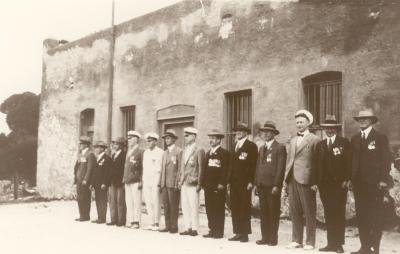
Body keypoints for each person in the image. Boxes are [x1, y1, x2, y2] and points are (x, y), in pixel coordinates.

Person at [350, 109, 392, 254]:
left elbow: (386, 160)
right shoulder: (355, 138)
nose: (362, 121)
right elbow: (352, 161)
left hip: (375, 184)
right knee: (362, 216)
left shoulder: (380, 137)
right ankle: (364, 247)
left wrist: (383, 180)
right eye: (360, 119)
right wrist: (351, 179)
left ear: (371, 121)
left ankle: (374, 248)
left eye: (366, 119)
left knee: (375, 216)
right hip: (359, 184)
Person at [285, 109, 321, 250]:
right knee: (294, 210)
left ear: (308, 123)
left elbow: (317, 162)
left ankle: (310, 241)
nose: (299, 124)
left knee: (309, 211)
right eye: (297, 122)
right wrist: (286, 178)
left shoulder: (314, 139)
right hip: (292, 178)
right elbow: (290, 160)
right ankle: (296, 239)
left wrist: (315, 181)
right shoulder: (293, 140)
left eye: (301, 122)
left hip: (306, 179)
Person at [317, 115, 351, 253]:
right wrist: (316, 182)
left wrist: (346, 179)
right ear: (324, 129)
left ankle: (339, 245)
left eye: (332, 128)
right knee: (328, 213)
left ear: (336, 129)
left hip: (339, 185)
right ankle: (330, 243)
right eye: (327, 128)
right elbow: (316, 165)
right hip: (324, 186)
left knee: (338, 213)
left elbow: (349, 163)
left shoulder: (344, 142)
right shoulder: (320, 145)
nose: (329, 130)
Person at [254, 121, 287, 246]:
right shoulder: (262, 148)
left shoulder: (279, 147)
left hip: (272, 186)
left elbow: (280, 168)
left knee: (273, 211)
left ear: (274, 133)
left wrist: (277, 185)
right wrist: (257, 182)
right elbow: (258, 167)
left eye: (268, 132)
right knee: (263, 212)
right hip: (262, 185)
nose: (266, 134)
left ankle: (273, 238)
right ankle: (265, 237)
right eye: (264, 132)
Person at [227, 122, 258, 243]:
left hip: (245, 182)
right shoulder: (235, 145)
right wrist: (228, 180)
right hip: (234, 182)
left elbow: (253, 165)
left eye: (241, 130)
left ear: (246, 132)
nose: (238, 132)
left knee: (244, 207)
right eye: (237, 130)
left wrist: (251, 181)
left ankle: (245, 234)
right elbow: (231, 165)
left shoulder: (251, 146)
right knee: (235, 207)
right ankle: (237, 232)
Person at [201, 129, 229, 239]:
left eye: (213, 138)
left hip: (218, 186)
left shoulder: (224, 153)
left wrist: (222, 183)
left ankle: (219, 231)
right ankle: (212, 229)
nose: (211, 140)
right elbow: (204, 169)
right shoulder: (208, 153)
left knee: (218, 208)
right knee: (209, 208)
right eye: (210, 138)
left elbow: (225, 170)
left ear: (219, 140)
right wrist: (203, 183)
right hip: (208, 186)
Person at [178, 127, 205, 236]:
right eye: (185, 135)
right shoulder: (184, 150)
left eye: (187, 135)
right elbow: (182, 167)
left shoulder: (199, 150)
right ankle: (187, 227)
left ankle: (194, 228)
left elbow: (201, 168)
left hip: (193, 182)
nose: (185, 137)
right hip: (185, 182)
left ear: (194, 136)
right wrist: (180, 181)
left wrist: (200, 183)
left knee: (194, 205)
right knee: (185, 205)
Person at [159, 129, 182, 234]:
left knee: (173, 205)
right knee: (166, 205)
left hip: (173, 183)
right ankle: (167, 225)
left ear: (173, 139)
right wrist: (161, 183)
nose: (166, 140)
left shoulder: (179, 151)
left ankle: (174, 226)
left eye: (168, 138)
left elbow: (179, 169)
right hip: (164, 183)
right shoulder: (164, 153)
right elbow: (162, 169)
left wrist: (177, 182)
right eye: (165, 139)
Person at [142, 132, 164, 231]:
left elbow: (160, 168)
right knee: (148, 201)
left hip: (156, 178)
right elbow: (144, 168)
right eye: (148, 141)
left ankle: (156, 222)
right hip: (147, 179)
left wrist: (159, 182)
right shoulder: (146, 153)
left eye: (150, 141)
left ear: (155, 141)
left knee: (156, 201)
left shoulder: (160, 152)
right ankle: (150, 222)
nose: (148, 143)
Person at [122, 130, 144, 229]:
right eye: (128, 138)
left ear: (136, 139)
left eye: (131, 138)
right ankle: (130, 220)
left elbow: (143, 167)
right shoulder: (128, 151)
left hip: (136, 180)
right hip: (128, 180)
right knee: (129, 201)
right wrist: (124, 179)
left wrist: (141, 180)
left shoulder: (140, 151)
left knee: (136, 201)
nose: (129, 140)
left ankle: (136, 221)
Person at [74, 136, 96, 222]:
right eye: (80, 144)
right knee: (79, 198)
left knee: (85, 197)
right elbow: (77, 167)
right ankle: (81, 215)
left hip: (84, 180)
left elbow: (90, 168)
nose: (80, 145)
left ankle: (86, 215)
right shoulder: (80, 154)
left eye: (81, 144)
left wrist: (86, 179)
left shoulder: (90, 154)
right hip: (79, 179)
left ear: (86, 145)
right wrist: (75, 179)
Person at [90, 141, 112, 224]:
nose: (97, 149)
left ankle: (102, 218)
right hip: (96, 183)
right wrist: (92, 183)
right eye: (96, 147)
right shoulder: (97, 158)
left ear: (103, 149)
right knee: (98, 200)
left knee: (102, 200)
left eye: (99, 147)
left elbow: (107, 172)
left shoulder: (107, 159)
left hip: (102, 184)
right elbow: (94, 172)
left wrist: (104, 183)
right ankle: (99, 217)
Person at [107, 137, 127, 227]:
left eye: (117, 144)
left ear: (122, 146)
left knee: (120, 201)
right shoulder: (113, 155)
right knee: (112, 201)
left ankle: (121, 220)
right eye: (114, 144)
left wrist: (123, 181)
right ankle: (113, 219)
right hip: (112, 181)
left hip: (120, 182)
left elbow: (124, 169)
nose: (115, 146)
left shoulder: (124, 155)